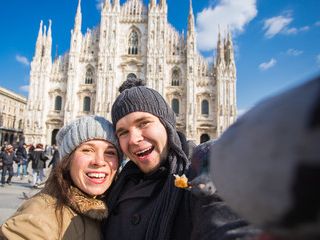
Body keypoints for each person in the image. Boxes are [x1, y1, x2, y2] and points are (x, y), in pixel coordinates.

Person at [103, 78, 257, 240]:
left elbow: (226, 219)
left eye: (143, 123)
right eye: (123, 132)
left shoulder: (200, 171)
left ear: (167, 124)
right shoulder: (117, 183)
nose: (134, 139)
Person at [0, 115, 124, 239]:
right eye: (87, 150)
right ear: (67, 161)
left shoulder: (111, 206)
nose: (99, 161)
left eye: (110, 152)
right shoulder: (36, 221)